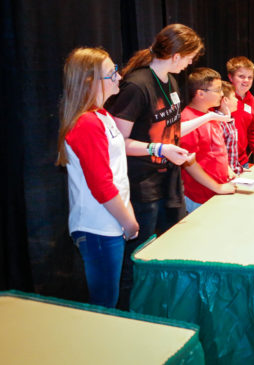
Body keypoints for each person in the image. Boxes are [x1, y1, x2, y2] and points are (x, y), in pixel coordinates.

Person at [105, 24, 229, 310]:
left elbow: (171, 130)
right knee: (138, 259)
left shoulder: (170, 82)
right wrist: (158, 149)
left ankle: (163, 308)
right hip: (143, 188)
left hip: (169, 185)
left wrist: (208, 119)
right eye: (189, 57)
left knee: (171, 252)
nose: (190, 63)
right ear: (176, 55)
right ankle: (129, 313)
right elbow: (118, 141)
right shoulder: (137, 85)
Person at [56, 47, 139, 308]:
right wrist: (129, 222)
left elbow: (116, 175)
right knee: (103, 304)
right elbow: (101, 185)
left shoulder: (103, 116)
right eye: (111, 72)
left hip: (110, 223)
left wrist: (128, 215)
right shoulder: (87, 124)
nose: (119, 75)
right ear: (90, 81)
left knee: (108, 299)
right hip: (98, 228)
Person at [179, 68, 236, 212]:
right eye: (217, 90)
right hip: (200, 196)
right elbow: (188, 162)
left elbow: (217, 149)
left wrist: (228, 169)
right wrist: (217, 187)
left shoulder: (210, 114)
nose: (222, 94)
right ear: (200, 93)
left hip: (216, 191)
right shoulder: (188, 119)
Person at [226, 56, 254, 168]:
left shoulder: (251, 99)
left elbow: (251, 131)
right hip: (225, 161)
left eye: (249, 77)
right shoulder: (222, 98)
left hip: (242, 161)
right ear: (230, 77)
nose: (246, 80)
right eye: (241, 76)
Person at [218, 81, 245, 175]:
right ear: (225, 100)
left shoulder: (229, 120)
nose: (237, 100)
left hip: (235, 172)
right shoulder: (219, 123)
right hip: (226, 175)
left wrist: (239, 168)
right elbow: (218, 156)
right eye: (234, 97)